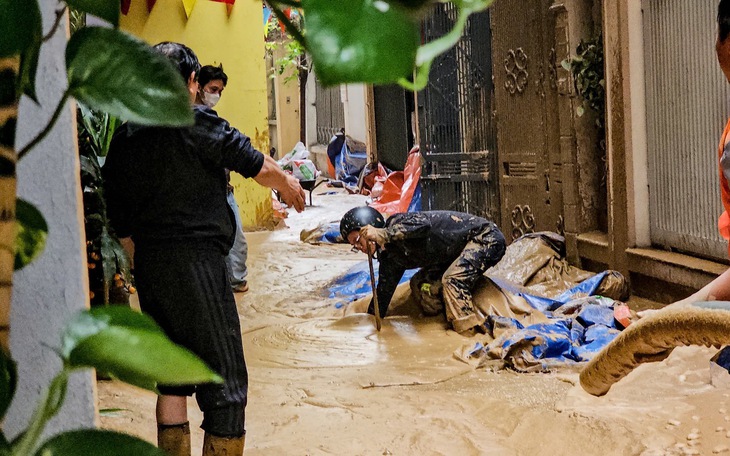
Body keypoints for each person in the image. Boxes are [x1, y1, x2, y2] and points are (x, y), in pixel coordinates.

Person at [102, 42, 305, 456]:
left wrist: (136, 257)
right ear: (193, 82)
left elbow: (116, 211)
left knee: (172, 375)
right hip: (197, 265)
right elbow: (254, 162)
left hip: (152, 267)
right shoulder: (196, 121)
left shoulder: (126, 133)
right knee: (226, 386)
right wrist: (288, 183)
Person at [340, 207, 506, 333]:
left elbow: (423, 226)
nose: (359, 247)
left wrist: (384, 234)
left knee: (452, 280)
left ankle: (469, 331)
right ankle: (440, 320)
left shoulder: (398, 223)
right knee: (419, 283)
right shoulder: (389, 257)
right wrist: (369, 323)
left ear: (370, 228)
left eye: (357, 240)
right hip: (452, 255)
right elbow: (382, 295)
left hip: (485, 239)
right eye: (354, 245)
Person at [195, 64, 249, 293]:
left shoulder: (211, 120)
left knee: (237, 242)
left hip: (223, 190)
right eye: (213, 88)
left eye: (220, 91)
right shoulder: (194, 121)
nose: (216, 95)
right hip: (204, 194)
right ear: (198, 86)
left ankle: (233, 283)